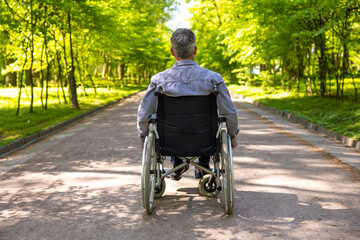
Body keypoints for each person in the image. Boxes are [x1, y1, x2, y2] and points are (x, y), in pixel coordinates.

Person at [137, 28, 238, 181]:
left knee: (164, 128)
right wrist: (232, 134)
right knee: (210, 128)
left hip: (170, 141)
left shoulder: (159, 80)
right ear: (195, 50)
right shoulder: (213, 79)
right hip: (205, 140)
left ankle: (177, 162)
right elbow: (229, 111)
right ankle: (203, 164)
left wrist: (143, 136)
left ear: (172, 51)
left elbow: (144, 113)